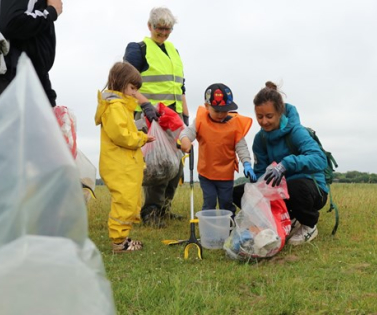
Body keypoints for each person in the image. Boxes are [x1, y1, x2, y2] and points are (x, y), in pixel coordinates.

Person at [233, 81, 328, 246]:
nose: (264, 121)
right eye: (260, 117)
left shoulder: (297, 132)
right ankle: (285, 218)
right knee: (239, 192)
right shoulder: (260, 139)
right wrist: (256, 187)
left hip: (310, 189)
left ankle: (309, 224)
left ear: (279, 113)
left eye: (269, 116)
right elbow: (261, 172)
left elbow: (320, 159)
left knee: (294, 186)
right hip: (280, 189)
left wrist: (286, 164)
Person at [123, 6, 189, 227]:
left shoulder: (173, 51)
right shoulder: (138, 49)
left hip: (173, 118)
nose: (163, 33)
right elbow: (125, 83)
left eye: (168, 29)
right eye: (159, 29)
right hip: (150, 116)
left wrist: (185, 117)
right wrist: (145, 104)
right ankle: (150, 211)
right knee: (158, 161)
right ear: (150, 26)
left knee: (176, 165)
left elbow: (181, 87)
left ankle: (164, 209)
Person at [94, 61, 156, 253]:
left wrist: (137, 129)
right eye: (132, 88)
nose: (134, 93)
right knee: (124, 202)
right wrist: (142, 138)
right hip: (118, 166)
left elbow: (124, 130)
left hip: (124, 165)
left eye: (136, 89)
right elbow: (121, 136)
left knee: (129, 201)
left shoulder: (121, 107)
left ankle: (124, 239)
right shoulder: (114, 107)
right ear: (120, 83)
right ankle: (119, 243)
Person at [179, 83, 256, 215]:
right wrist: (185, 140)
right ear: (207, 106)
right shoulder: (200, 121)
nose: (221, 114)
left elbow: (241, 147)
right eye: (217, 111)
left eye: (225, 110)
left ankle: (229, 227)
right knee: (209, 201)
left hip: (226, 174)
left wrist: (247, 163)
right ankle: (209, 229)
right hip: (206, 173)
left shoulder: (235, 125)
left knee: (226, 202)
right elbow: (187, 133)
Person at [0, 0, 62, 106]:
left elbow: (34, 54)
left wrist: (50, 102)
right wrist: (51, 12)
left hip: (30, 78)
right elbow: (11, 22)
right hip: (12, 78)